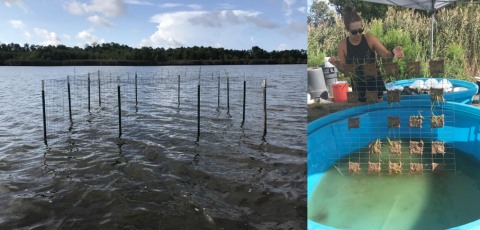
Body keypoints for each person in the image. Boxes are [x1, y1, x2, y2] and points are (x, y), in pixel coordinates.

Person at [328, 4, 405, 102]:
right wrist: (337, 65)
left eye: (360, 30)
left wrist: (393, 52)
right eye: (354, 32)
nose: (358, 34)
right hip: (358, 85)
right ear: (346, 29)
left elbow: (387, 57)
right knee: (362, 114)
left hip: (375, 83)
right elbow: (346, 71)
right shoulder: (342, 44)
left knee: (378, 113)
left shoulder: (370, 39)